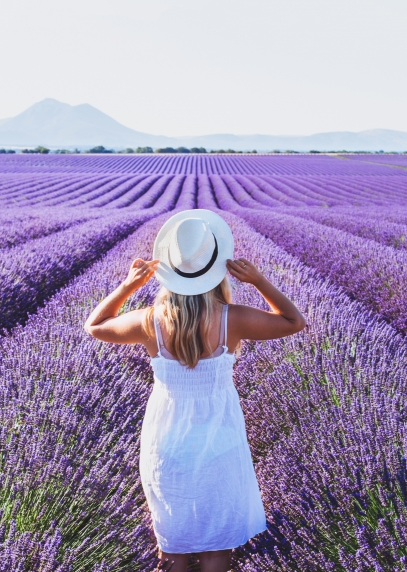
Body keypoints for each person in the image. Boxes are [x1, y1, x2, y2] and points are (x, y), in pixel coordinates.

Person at [84, 209, 306, 572]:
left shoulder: (149, 321)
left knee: (173, 543)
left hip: (166, 441)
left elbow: (96, 325)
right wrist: (260, 281)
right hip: (221, 437)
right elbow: (294, 322)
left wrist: (129, 286)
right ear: (218, 268)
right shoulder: (232, 319)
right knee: (218, 544)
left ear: (170, 271)